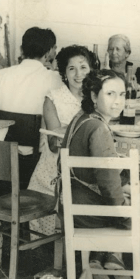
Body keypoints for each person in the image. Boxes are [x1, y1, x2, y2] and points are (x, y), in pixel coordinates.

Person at [59, 69, 137, 279]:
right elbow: (108, 184)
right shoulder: (99, 128)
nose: (118, 101)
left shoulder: (81, 118)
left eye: (122, 95)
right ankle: (115, 256)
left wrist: (124, 187)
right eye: (110, 94)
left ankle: (96, 261)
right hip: (86, 212)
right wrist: (126, 216)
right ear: (93, 96)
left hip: (70, 203)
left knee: (126, 190)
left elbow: (99, 174)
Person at [0, 27, 61, 189]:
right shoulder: (53, 79)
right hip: (34, 162)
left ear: (22, 49)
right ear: (48, 53)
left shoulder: (2, 75)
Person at [27, 45, 90, 237]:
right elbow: (54, 145)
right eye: (72, 69)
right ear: (63, 73)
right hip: (55, 170)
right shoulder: (53, 99)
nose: (79, 74)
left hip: (87, 164)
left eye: (83, 67)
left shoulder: (96, 95)